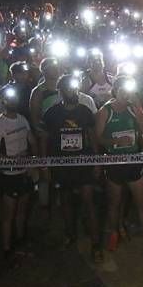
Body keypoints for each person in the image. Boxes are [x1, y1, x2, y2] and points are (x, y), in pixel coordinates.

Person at [96, 76, 143, 258]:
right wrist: (115, 141)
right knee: (114, 203)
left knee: (141, 203)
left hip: (133, 161)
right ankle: (114, 233)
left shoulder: (134, 109)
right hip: (114, 162)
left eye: (128, 91)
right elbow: (98, 137)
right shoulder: (105, 111)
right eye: (122, 91)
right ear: (115, 91)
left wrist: (138, 110)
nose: (125, 94)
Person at [43, 75, 103, 261]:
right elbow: (44, 140)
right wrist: (45, 164)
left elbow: (93, 137)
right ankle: (70, 235)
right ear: (60, 92)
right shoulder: (52, 113)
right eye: (68, 89)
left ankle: (95, 243)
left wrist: (97, 161)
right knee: (66, 201)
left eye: (75, 89)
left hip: (83, 162)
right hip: (61, 164)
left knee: (88, 200)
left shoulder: (85, 111)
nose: (73, 92)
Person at [0, 86, 37, 264]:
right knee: (8, 214)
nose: (12, 101)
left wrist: (33, 162)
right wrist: (11, 160)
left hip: (24, 173)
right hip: (8, 175)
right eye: (8, 98)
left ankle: (20, 240)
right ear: (3, 101)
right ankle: (7, 248)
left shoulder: (23, 119)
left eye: (14, 98)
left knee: (22, 210)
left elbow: (32, 141)